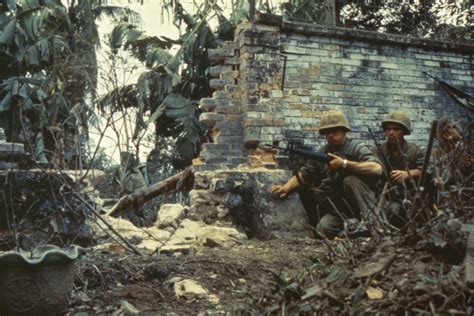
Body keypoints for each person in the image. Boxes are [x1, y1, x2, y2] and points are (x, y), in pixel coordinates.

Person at [271, 110, 383, 239]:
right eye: (326, 133)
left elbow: (377, 169)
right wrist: (286, 187)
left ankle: (373, 225)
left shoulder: (357, 148)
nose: (330, 136)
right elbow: (305, 172)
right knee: (322, 230)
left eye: (335, 132)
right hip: (341, 209)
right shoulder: (323, 152)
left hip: (364, 204)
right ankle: (350, 232)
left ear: (344, 131)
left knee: (350, 180)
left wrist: (345, 164)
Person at [372, 111, 425, 227]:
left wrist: (408, 174)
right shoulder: (378, 151)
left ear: (404, 131)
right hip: (386, 197)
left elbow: (426, 170)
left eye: (396, 129)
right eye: (388, 129)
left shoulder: (415, 150)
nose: (391, 133)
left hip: (409, 197)